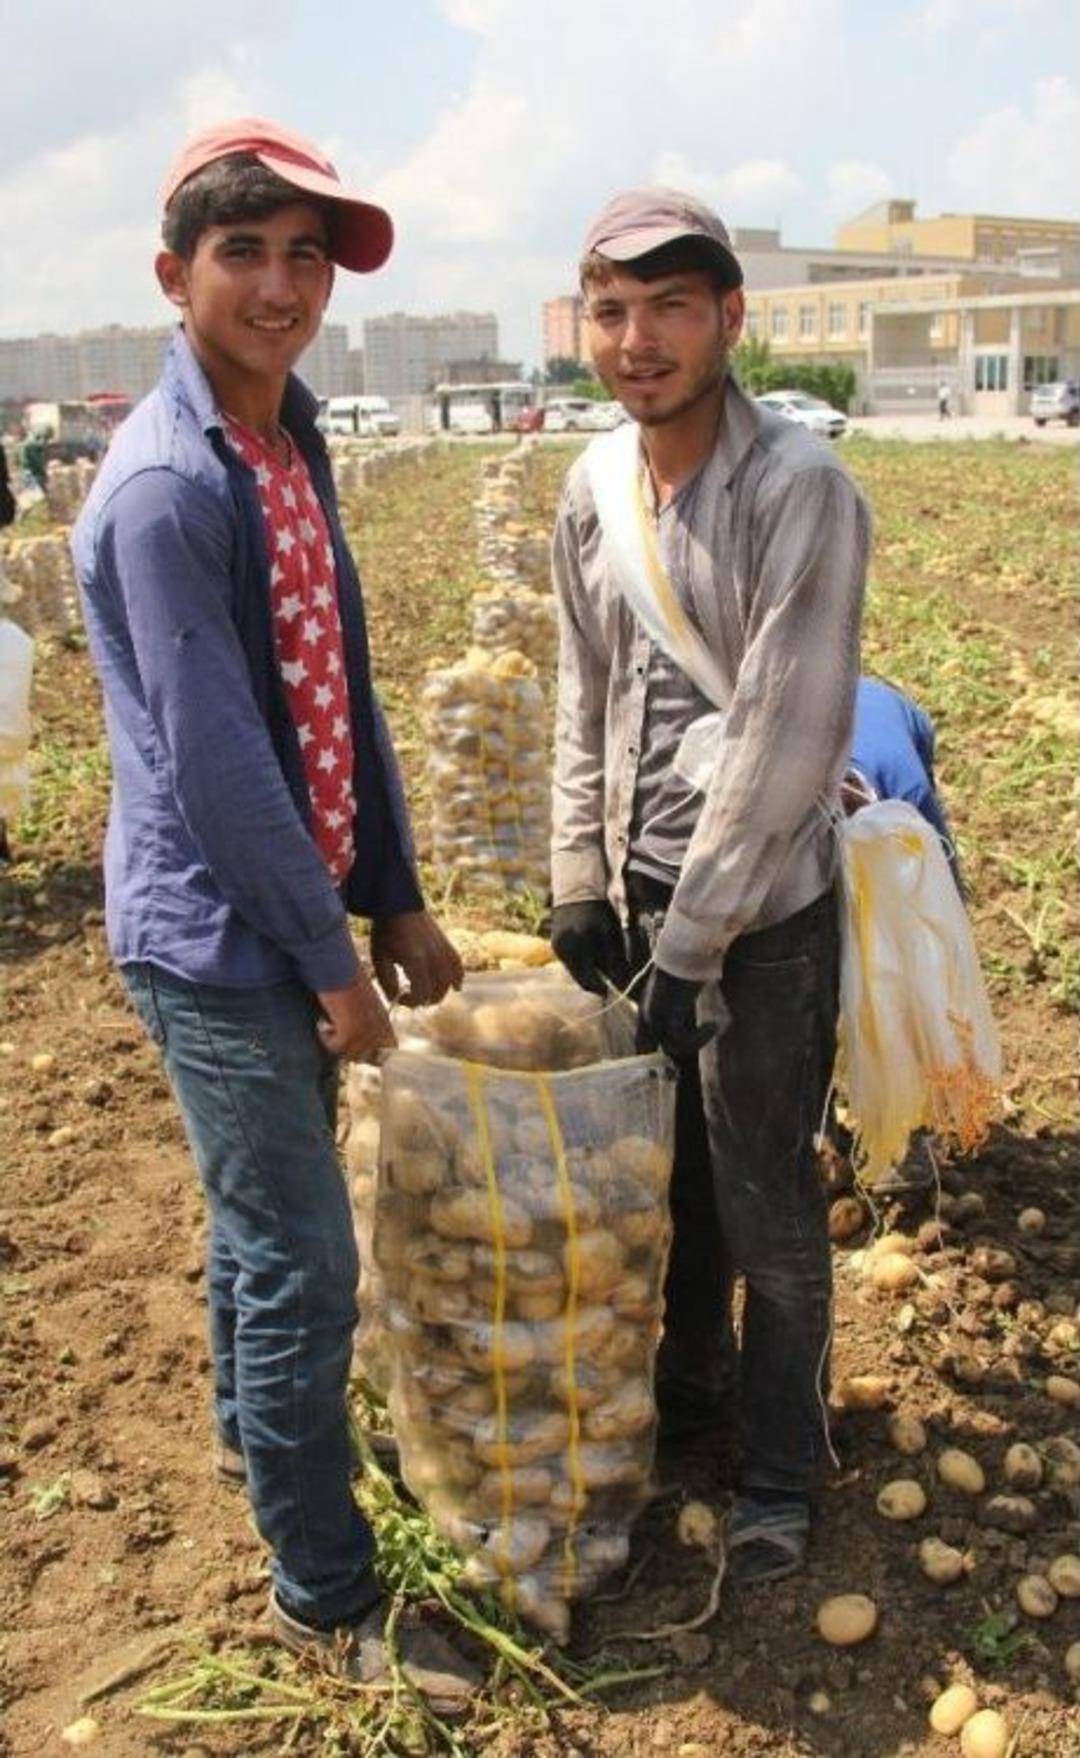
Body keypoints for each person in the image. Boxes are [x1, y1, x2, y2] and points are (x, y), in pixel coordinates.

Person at [71, 118, 475, 1712]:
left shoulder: (285, 443)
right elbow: (227, 766)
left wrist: (395, 891)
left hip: (289, 906)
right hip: (216, 935)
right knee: (307, 1254)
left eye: (308, 253)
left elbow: (334, 686)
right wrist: (332, 964)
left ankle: (265, 1439)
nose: (281, 282)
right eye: (245, 250)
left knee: (268, 1233)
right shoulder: (170, 488)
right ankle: (327, 1585)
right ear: (175, 276)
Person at [549, 188, 869, 1585]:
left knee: (766, 1198)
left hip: (764, 920)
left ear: (730, 318)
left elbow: (787, 741)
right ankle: (690, 1398)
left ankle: (783, 1467)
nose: (642, 338)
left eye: (674, 305)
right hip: (640, 898)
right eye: (615, 311)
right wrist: (577, 876)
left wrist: (689, 951)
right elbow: (584, 692)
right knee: (661, 1181)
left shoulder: (800, 488)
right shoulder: (593, 489)